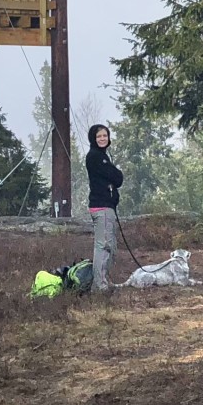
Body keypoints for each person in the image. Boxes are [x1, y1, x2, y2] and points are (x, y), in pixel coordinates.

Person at [85, 124, 124, 292]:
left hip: (107, 208)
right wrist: (115, 173)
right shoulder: (95, 157)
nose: (102, 139)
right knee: (104, 245)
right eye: (99, 136)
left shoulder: (103, 156)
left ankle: (104, 281)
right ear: (93, 138)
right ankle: (99, 286)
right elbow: (117, 177)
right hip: (101, 207)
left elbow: (117, 179)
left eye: (105, 136)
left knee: (111, 246)